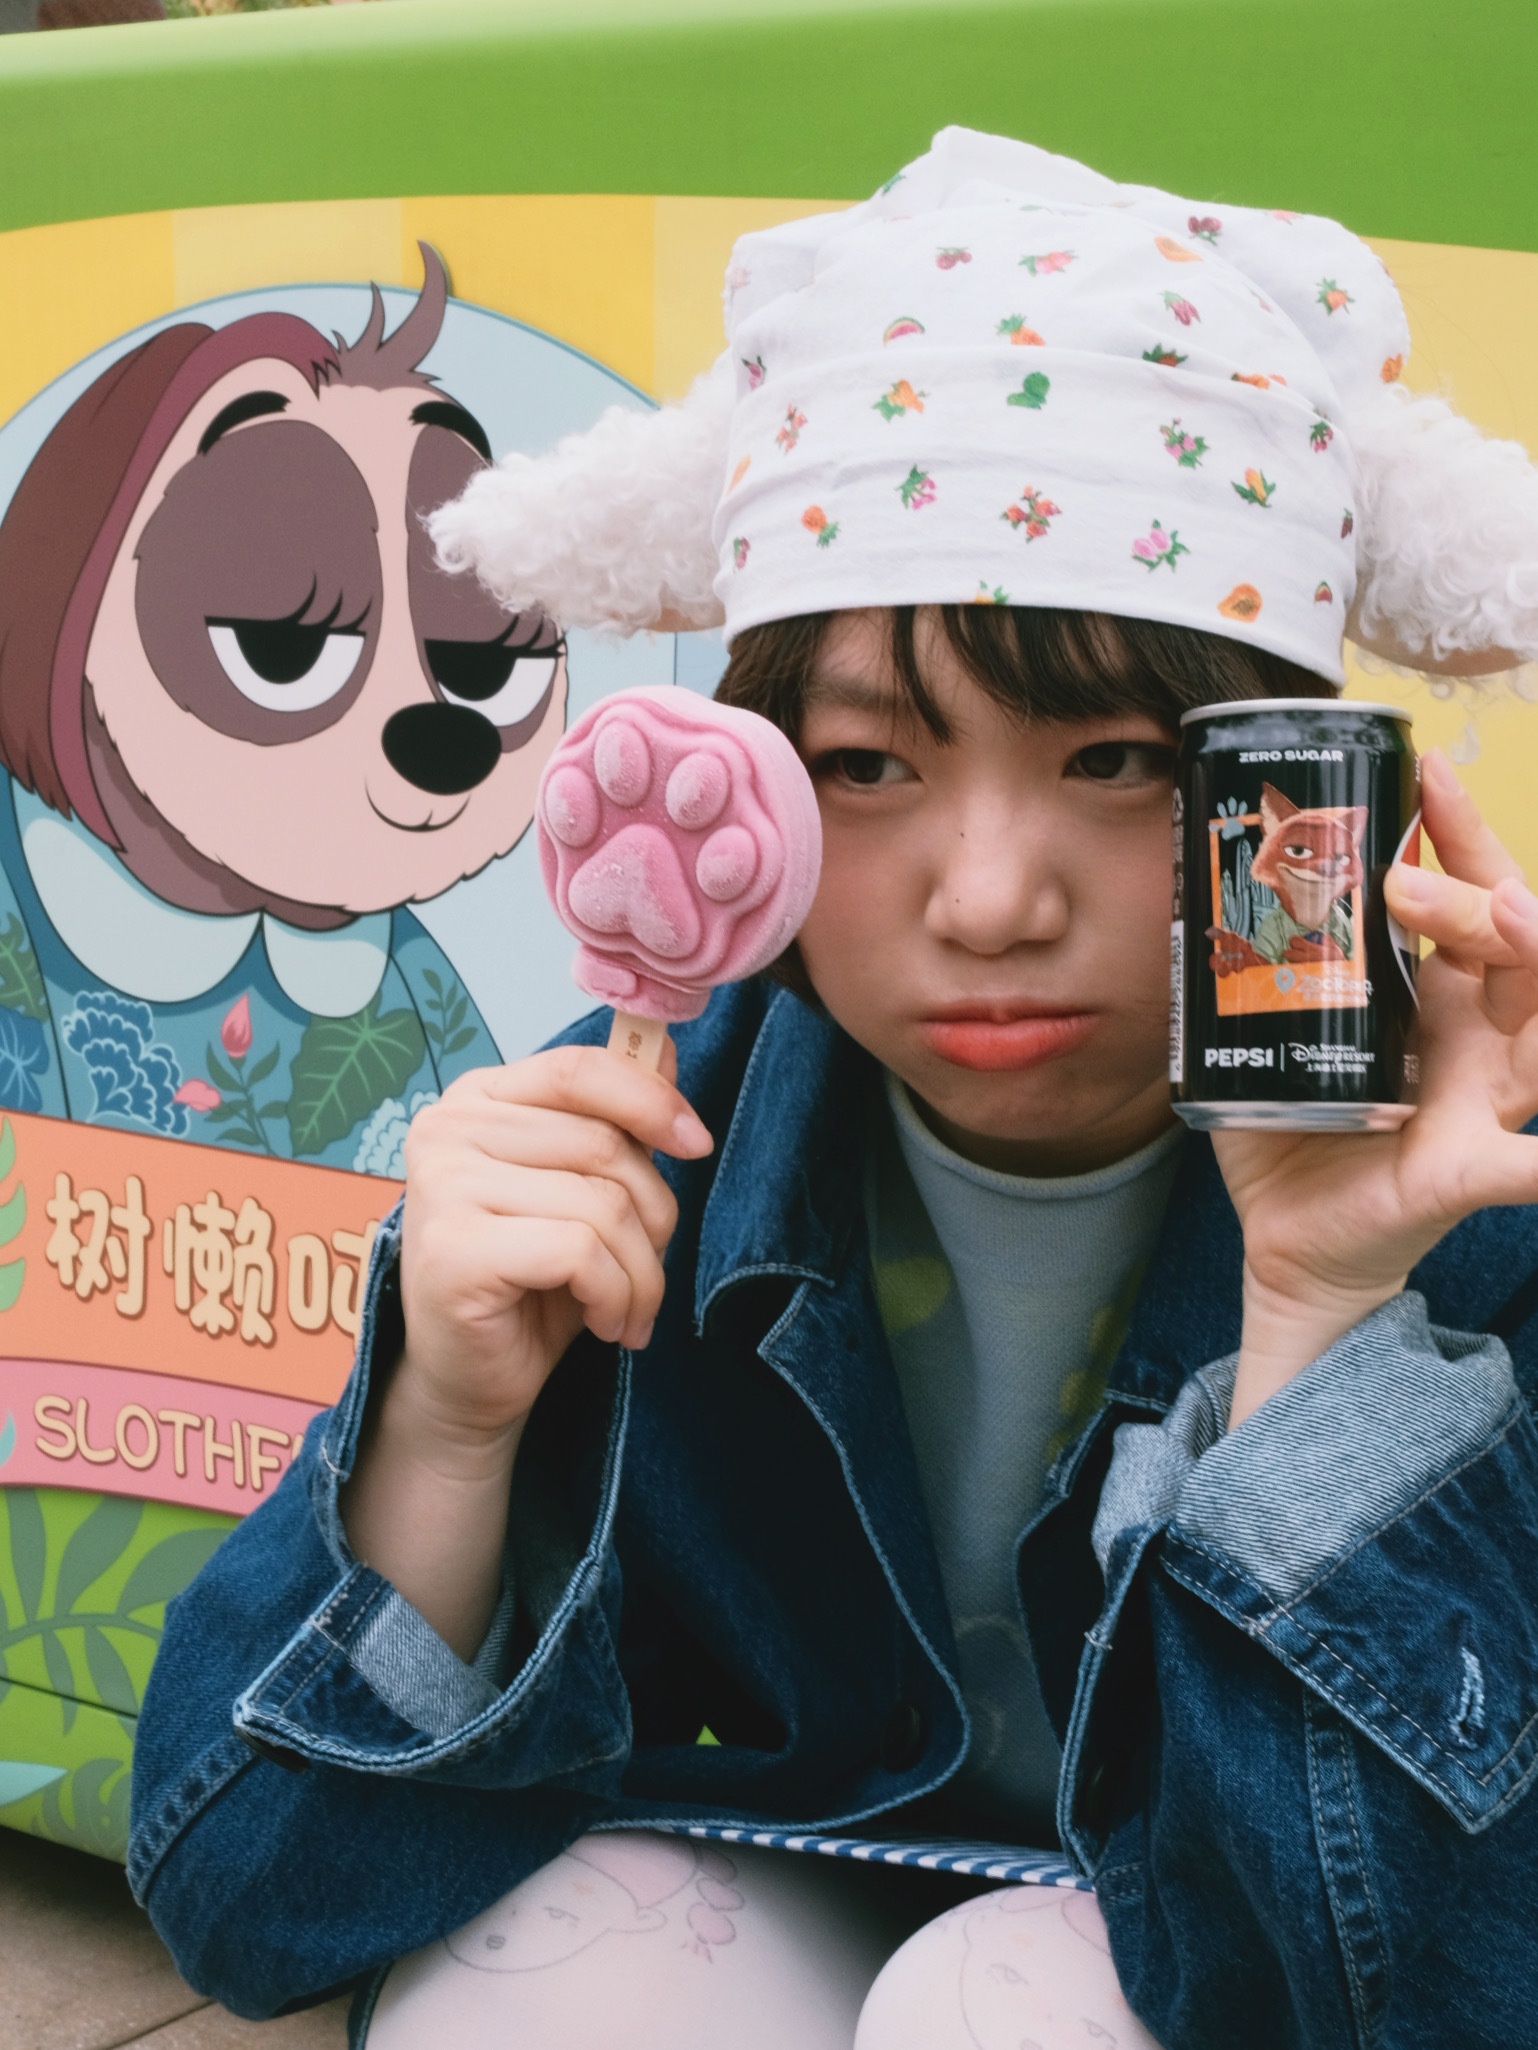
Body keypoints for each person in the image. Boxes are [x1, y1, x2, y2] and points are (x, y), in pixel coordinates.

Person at [129, 130, 1538, 2050]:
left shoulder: (1459, 1202)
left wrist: (1320, 1324)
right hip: (774, 1905)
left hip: (1199, 1963)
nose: (989, 900)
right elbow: (245, 1896)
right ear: (751, 782)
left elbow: (1410, 1996)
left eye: (1118, 760)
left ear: (1285, 781)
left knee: (997, 2005)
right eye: (868, 766)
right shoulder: (630, 1156)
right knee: (560, 1981)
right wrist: (447, 1429)